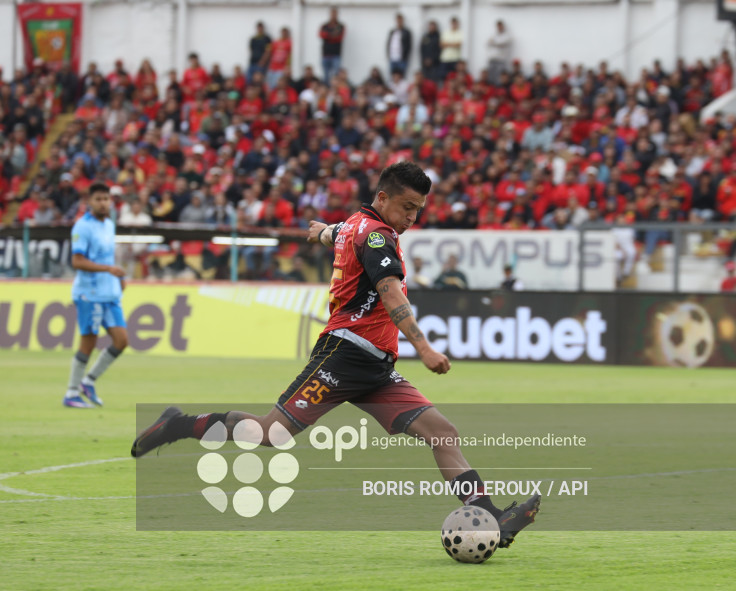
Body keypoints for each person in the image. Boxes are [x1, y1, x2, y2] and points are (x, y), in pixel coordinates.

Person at [130, 162, 540, 549]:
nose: (413, 217)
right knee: (271, 434)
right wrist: (424, 346)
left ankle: (490, 519)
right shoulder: (377, 236)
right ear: (382, 198)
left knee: (442, 433)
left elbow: (333, 233)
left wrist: (320, 231)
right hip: (343, 354)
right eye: (407, 207)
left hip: (376, 368)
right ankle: (179, 424)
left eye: (419, 209)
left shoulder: (354, 226)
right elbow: (389, 291)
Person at [63, 183, 129, 409]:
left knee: (122, 340)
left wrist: (117, 277)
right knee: (88, 344)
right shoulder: (82, 226)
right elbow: (77, 261)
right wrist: (109, 270)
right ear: (89, 201)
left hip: (108, 292)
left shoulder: (109, 224)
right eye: (99, 199)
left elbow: (107, 257)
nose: (103, 203)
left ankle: (88, 381)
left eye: (106, 199)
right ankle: (71, 393)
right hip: (89, 294)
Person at [319, 8, 345, 85]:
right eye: (332, 14)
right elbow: (321, 35)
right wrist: (332, 35)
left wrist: (328, 35)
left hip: (336, 55)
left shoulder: (340, 26)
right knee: (326, 75)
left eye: (335, 14)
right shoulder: (324, 26)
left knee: (336, 75)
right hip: (325, 54)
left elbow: (338, 38)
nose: (333, 16)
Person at [487, 19, 512, 86]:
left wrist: (495, 43)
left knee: (500, 78)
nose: (499, 27)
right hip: (492, 59)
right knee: (491, 78)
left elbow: (502, 44)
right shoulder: (494, 35)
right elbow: (489, 42)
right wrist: (496, 44)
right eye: (498, 26)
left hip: (501, 60)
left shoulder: (506, 35)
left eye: (500, 26)